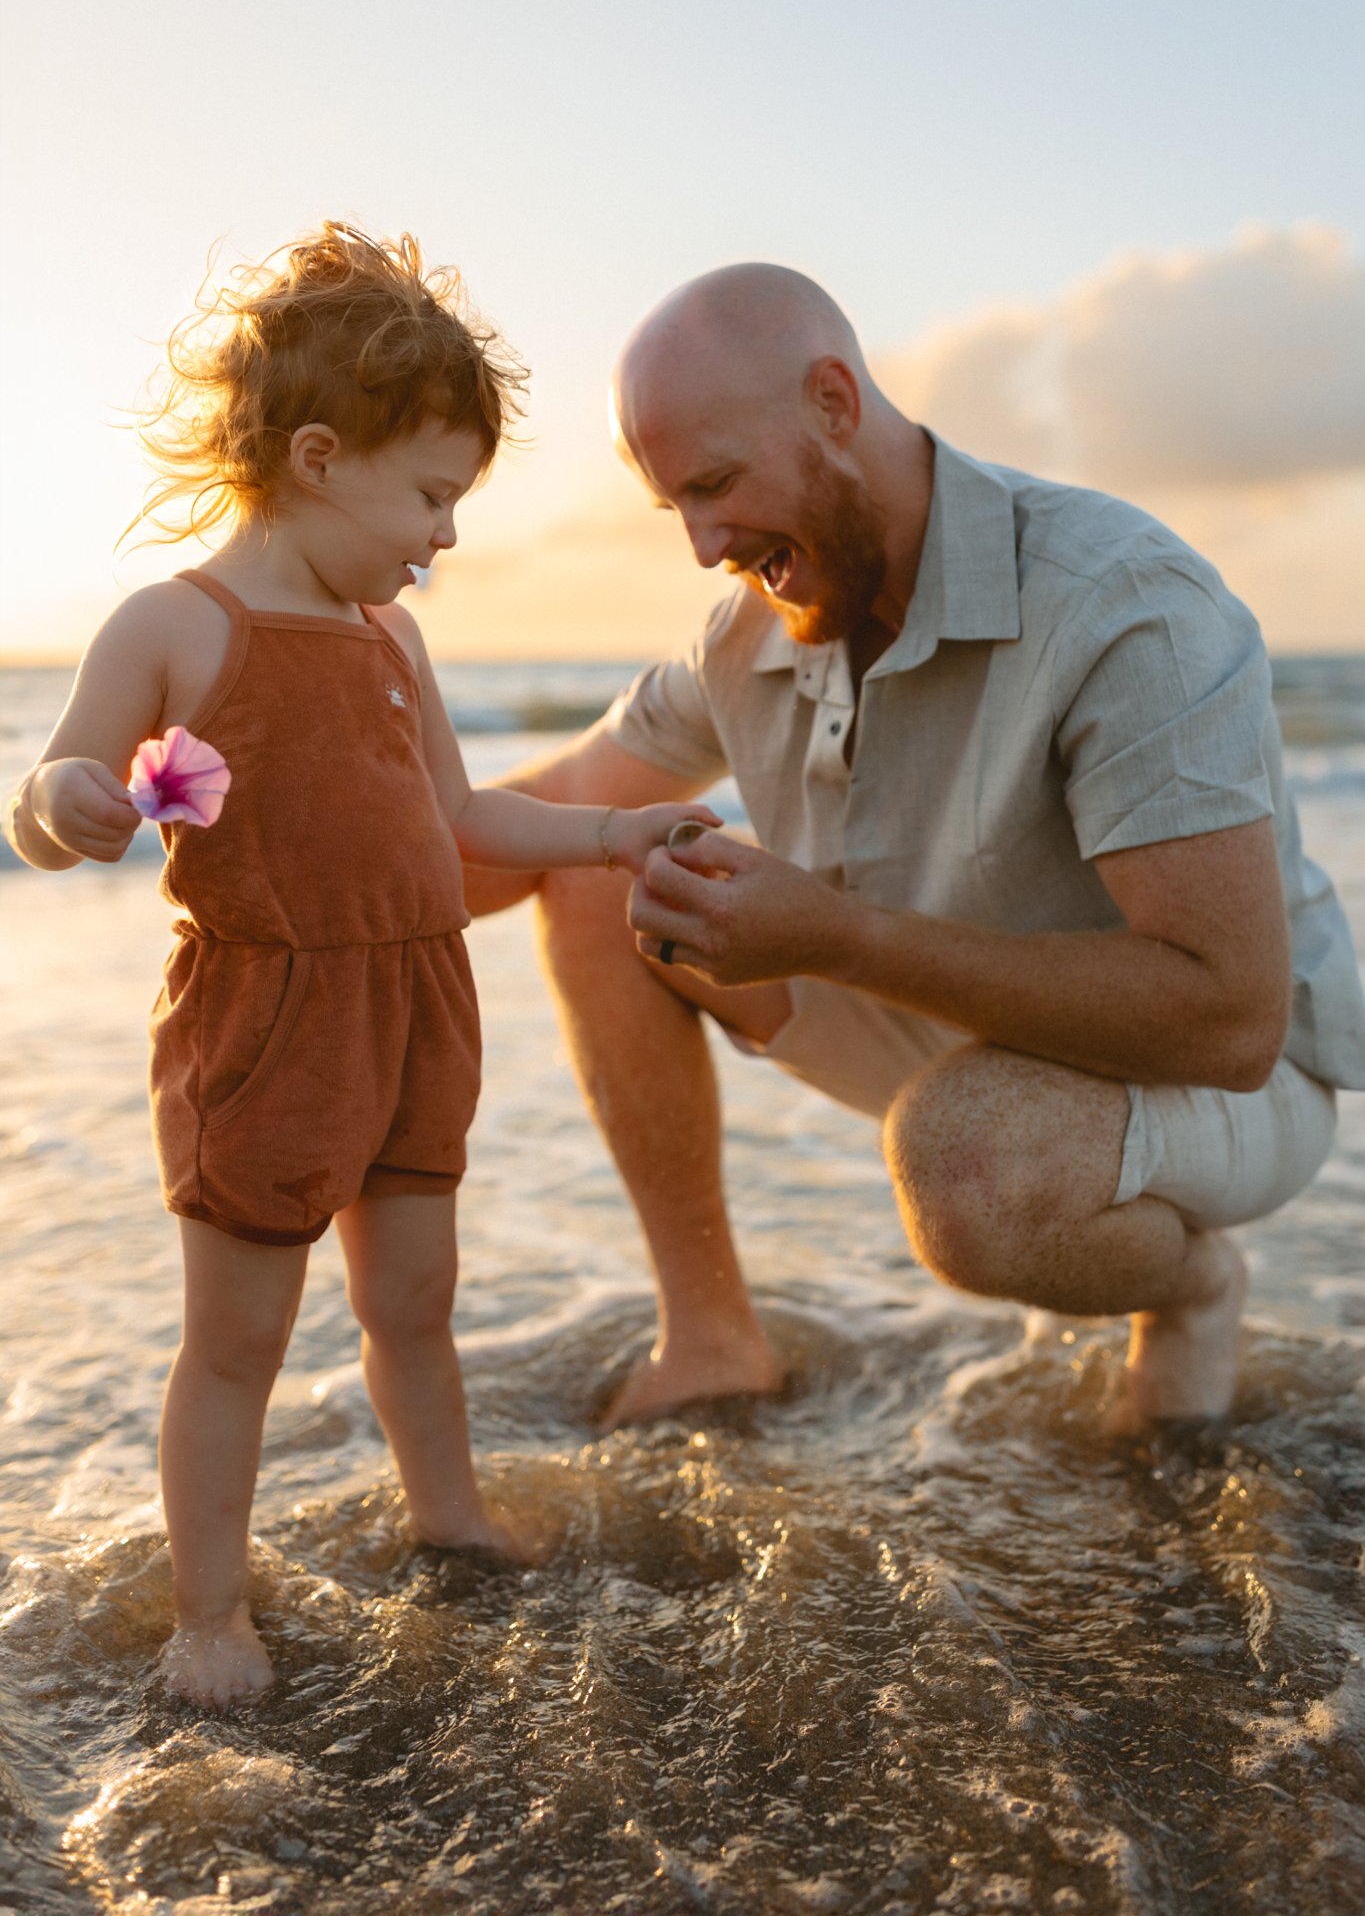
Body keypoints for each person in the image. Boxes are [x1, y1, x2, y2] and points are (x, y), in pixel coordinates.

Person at [2, 224, 713, 1711]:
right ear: (319, 456)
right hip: (266, 1022)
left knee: (419, 1296)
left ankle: (442, 1512)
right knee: (238, 1339)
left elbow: (456, 819)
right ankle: (209, 1611)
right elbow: (56, 789)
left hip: (415, 1004)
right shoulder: (174, 625)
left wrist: (610, 833)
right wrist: (65, 806)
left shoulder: (390, 633)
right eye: (433, 494)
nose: (446, 536)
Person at [463, 261, 1365, 1433]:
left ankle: (1194, 1286)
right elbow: (558, 804)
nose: (699, 544)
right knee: (604, 878)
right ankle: (711, 1336)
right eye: (674, 503)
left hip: (1215, 1072)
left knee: (969, 1166)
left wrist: (840, 937)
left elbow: (1230, 1016)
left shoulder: (1125, 604)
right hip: (949, 1030)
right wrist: (285, 878)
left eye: (719, 483)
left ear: (835, 403)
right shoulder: (744, 630)